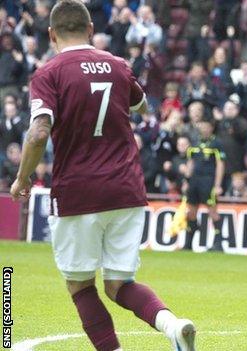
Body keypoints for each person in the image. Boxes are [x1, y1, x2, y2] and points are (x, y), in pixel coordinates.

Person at [8, 1, 196, 350]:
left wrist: (21, 179)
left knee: (80, 285)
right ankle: (173, 326)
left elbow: (37, 133)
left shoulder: (49, 73)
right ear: (91, 29)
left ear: (50, 34)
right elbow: (141, 106)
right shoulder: (119, 66)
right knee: (119, 283)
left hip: (78, 191)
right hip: (126, 189)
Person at [184, 119, 225, 251]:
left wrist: (218, 184)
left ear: (212, 128)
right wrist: (186, 180)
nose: (205, 128)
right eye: (203, 125)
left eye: (208, 126)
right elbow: (190, 162)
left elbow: (220, 164)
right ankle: (188, 244)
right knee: (191, 211)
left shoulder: (216, 143)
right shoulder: (194, 142)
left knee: (212, 211)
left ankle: (218, 244)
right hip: (194, 180)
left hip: (208, 180)